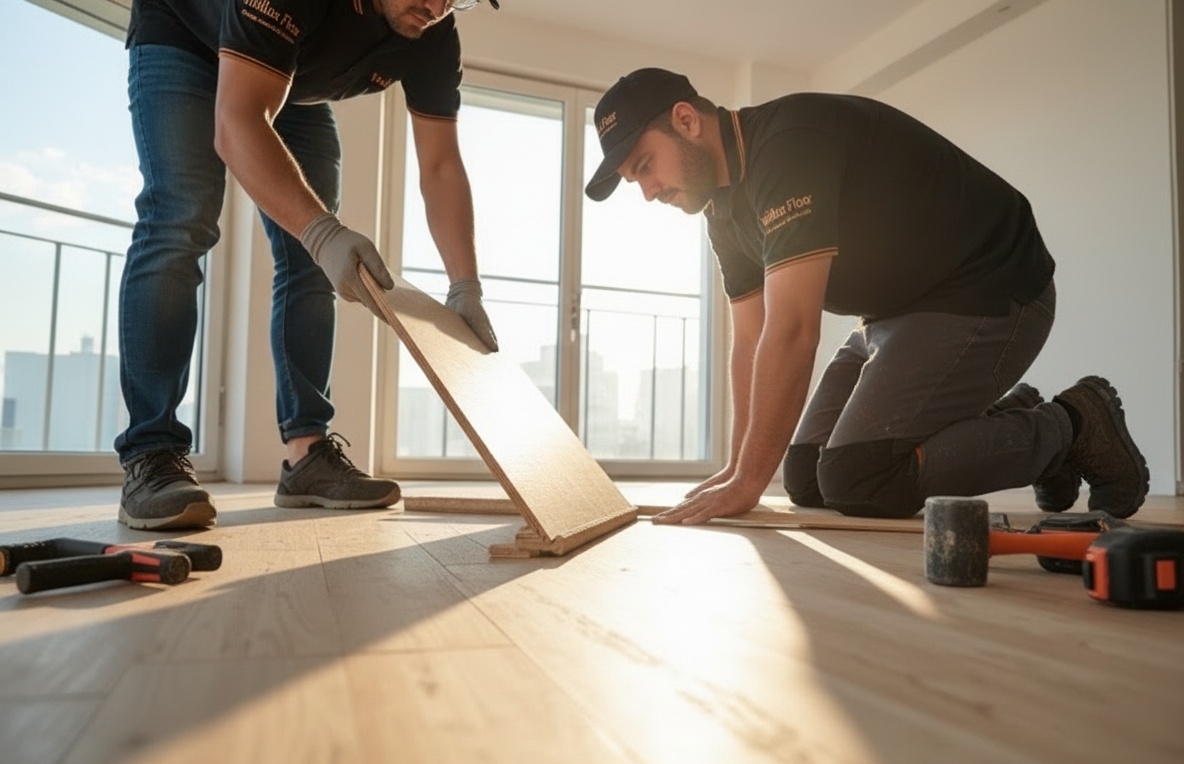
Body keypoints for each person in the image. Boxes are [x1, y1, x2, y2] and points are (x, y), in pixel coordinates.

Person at [584, 68, 1149, 524]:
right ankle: (1013, 417)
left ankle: (1073, 425)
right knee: (806, 476)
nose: (649, 191)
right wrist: (738, 469)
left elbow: (793, 330)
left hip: (992, 289)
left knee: (858, 477)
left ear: (686, 121)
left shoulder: (788, 145)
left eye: (645, 166)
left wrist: (749, 486)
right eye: (636, 179)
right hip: (892, 319)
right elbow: (750, 341)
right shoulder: (723, 212)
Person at [115, 0, 503, 530]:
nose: (437, 6)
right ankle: (151, 453)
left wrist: (466, 285)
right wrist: (323, 233)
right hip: (186, 39)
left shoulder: (433, 33)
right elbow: (237, 121)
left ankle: (306, 456)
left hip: (286, 75)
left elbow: (439, 165)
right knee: (181, 218)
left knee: (313, 261)